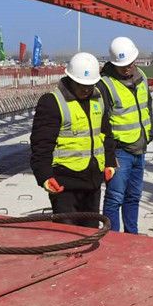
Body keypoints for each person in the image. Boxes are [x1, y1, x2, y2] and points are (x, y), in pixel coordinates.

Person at [30, 52, 115, 228]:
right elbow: (41, 145)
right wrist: (45, 176)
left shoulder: (97, 98)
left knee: (91, 233)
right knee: (68, 235)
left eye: (90, 85)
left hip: (92, 183)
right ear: (70, 79)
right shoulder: (52, 102)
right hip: (65, 185)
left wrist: (110, 162)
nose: (86, 89)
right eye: (81, 85)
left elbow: (105, 134)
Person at [96, 36, 153, 233]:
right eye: (122, 65)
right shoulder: (106, 84)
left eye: (129, 63)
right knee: (114, 198)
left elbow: (148, 107)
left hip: (139, 147)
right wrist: (109, 156)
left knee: (133, 197)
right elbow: (102, 124)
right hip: (120, 152)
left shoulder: (142, 77)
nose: (126, 68)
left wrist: (149, 134)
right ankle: (113, 240)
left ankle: (132, 236)